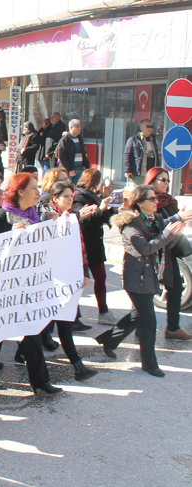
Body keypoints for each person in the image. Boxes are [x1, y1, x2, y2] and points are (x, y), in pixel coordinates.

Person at [0, 173, 64, 393]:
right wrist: (11, 237)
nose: (38, 192)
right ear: (20, 192)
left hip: (28, 284)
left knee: (32, 327)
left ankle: (40, 381)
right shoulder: (2, 217)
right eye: (34, 188)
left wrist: (50, 225)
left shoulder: (34, 214)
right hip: (4, 286)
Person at [96, 186, 187, 377]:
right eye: (152, 199)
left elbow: (163, 245)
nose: (156, 202)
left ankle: (109, 340)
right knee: (149, 322)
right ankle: (149, 364)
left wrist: (176, 233)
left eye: (156, 199)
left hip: (149, 277)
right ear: (139, 202)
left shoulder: (154, 219)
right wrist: (167, 234)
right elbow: (145, 249)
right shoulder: (131, 224)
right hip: (136, 279)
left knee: (137, 316)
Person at [37, 182, 98, 381]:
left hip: (69, 277)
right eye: (66, 196)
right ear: (55, 199)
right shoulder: (48, 216)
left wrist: (84, 272)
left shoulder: (71, 217)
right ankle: (77, 366)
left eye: (71, 196)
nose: (70, 200)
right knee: (53, 322)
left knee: (62, 321)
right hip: (52, 279)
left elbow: (80, 248)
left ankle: (78, 366)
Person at [142, 167, 192, 339]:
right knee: (146, 292)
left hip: (168, 252)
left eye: (168, 180)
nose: (166, 183)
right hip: (151, 251)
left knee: (176, 288)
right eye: (162, 179)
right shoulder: (145, 199)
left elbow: (172, 224)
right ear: (152, 180)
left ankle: (172, 328)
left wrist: (182, 223)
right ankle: (138, 326)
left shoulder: (169, 201)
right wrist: (178, 218)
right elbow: (152, 224)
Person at [72, 168, 118, 325]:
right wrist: (101, 209)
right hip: (84, 245)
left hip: (96, 244)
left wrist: (112, 209)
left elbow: (102, 218)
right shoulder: (79, 196)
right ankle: (73, 317)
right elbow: (83, 221)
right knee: (79, 281)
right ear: (95, 181)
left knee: (101, 278)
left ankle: (103, 312)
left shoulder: (95, 196)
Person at [124, 118, 159, 185]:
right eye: (148, 126)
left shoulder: (153, 139)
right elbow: (127, 155)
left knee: (150, 190)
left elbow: (156, 155)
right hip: (139, 173)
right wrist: (127, 170)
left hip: (151, 172)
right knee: (140, 190)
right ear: (141, 127)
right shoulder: (133, 139)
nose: (150, 129)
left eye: (151, 127)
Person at [56, 119, 90, 185]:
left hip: (80, 168)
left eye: (80, 126)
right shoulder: (64, 140)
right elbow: (62, 156)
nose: (80, 128)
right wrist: (69, 169)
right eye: (77, 126)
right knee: (67, 187)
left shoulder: (79, 139)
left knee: (78, 187)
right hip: (69, 170)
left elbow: (83, 153)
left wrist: (86, 166)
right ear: (71, 127)